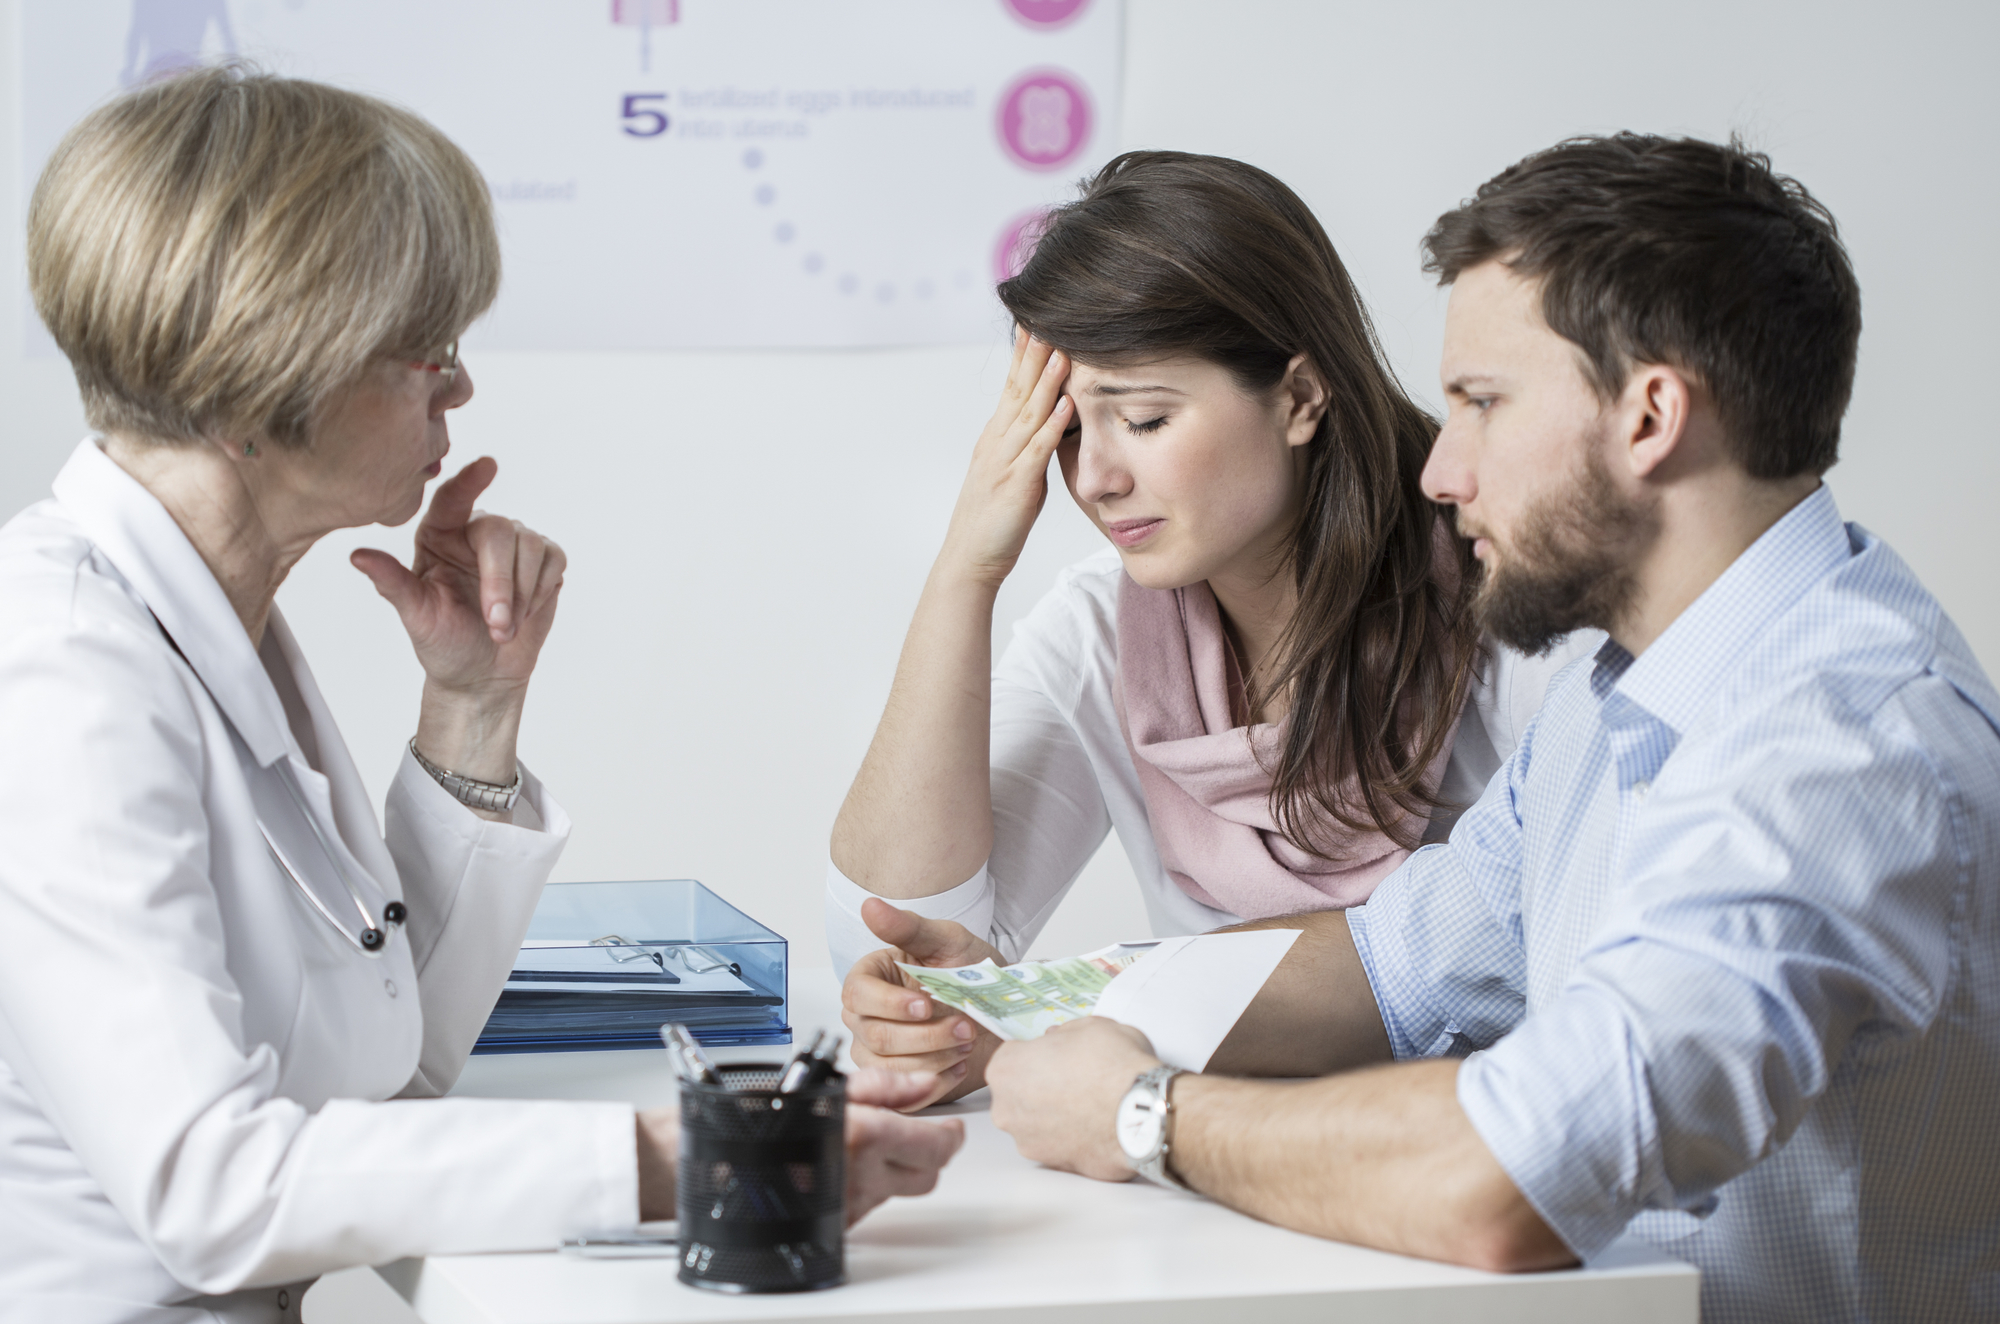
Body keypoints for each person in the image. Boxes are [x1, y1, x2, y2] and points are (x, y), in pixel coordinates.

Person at [981, 133, 2000, 1324]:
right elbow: (1387, 964)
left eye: (1479, 402)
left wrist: (1141, 1114)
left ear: (1649, 415)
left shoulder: (1835, 748)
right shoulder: (1617, 701)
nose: (1438, 470)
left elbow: (1510, 1177)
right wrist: (1033, 1016)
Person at [0, 67, 961, 1324]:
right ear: (258, 377)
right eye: (428, 350)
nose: (458, 390)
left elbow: (391, 1067)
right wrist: (691, 1156)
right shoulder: (63, 674)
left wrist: (473, 704)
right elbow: (211, 1185)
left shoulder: (208, 622)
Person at [829, 152, 1596, 1106]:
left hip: (1464, 1161)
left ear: (1300, 398)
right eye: (1068, 432)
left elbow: (1528, 963)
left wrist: (1070, 1012)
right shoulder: (1104, 631)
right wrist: (965, 570)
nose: (1095, 478)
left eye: (1145, 420)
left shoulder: (1518, 613)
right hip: (1199, 1162)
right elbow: (893, 940)